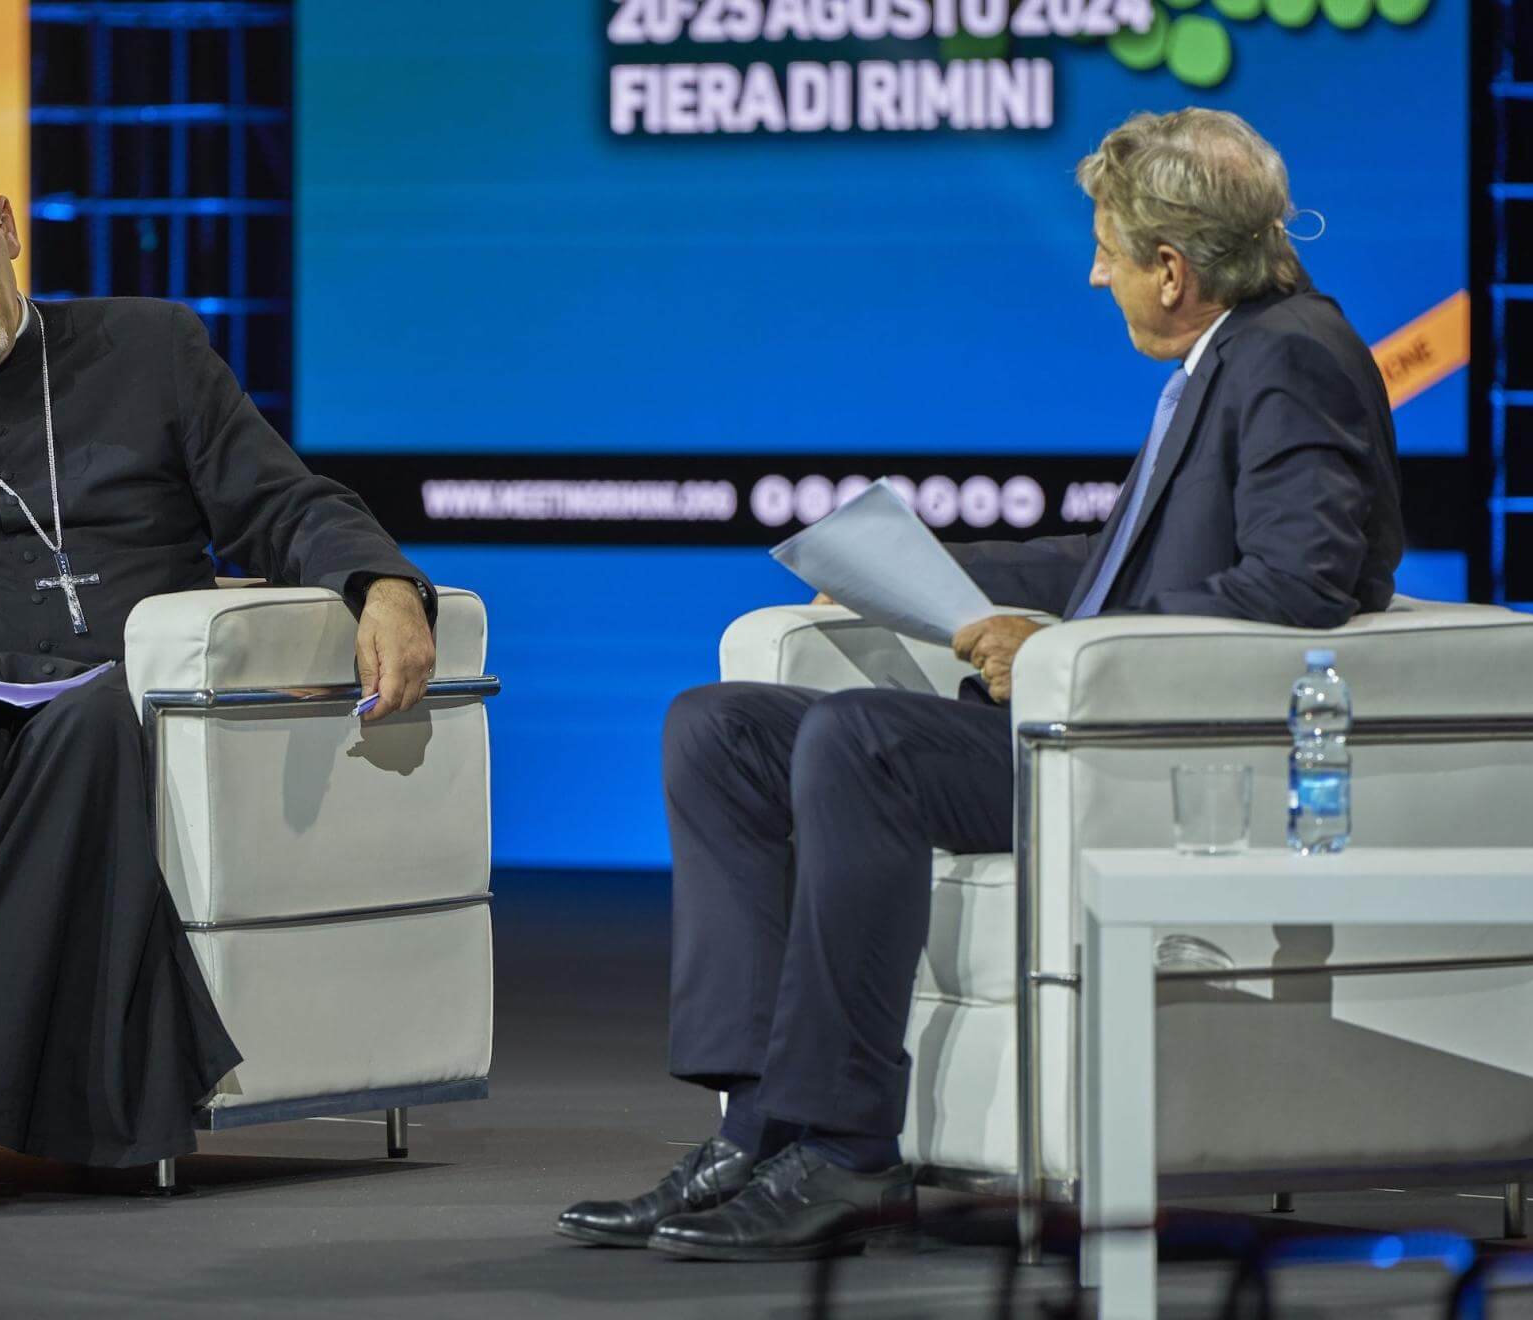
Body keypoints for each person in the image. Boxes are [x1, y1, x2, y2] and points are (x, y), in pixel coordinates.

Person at [557, 108, 1404, 1261]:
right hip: (1085, 726)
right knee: (719, 728)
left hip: (1150, 759)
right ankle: (758, 1129)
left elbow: (1297, 583)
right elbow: (1119, 560)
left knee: (861, 740)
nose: (1095, 274)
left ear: (1172, 268)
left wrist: (1055, 646)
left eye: (1108, 250)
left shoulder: (1292, 356)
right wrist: (916, 577)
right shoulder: (1228, 357)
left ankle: (847, 1150)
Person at [0, 143, 439, 1210]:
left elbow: (279, 501)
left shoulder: (149, 347)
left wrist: (380, 583)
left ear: (7, 228)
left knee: (91, 725)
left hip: (100, 687)